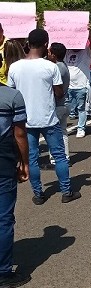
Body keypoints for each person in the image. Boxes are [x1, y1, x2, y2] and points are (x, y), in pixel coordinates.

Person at [8, 29, 80, 204]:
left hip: (25, 119)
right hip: (48, 117)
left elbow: (12, 92)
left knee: (31, 158)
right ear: (46, 45)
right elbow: (59, 92)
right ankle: (66, 191)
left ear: (28, 43)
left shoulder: (15, 67)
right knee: (59, 155)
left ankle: (39, 194)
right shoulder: (50, 67)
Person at [0, 53, 31, 287]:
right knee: (3, 218)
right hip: (3, 160)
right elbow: (19, 134)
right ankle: (3, 271)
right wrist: (25, 162)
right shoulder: (11, 96)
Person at [42, 43, 71, 170]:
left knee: (53, 134)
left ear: (54, 54)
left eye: (49, 52)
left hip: (57, 105)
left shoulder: (57, 68)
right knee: (62, 132)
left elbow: (55, 88)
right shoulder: (62, 65)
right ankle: (65, 157)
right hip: (64, 104)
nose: (48, 54)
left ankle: (55, 160)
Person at [65, 42, 91, 139]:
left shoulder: (86, 51)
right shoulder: (67, 52)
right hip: (68, 86)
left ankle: (81, 128)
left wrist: (89, 31)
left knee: (81, 108)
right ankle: (63, 128)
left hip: (81, 86)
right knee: (66, 109)